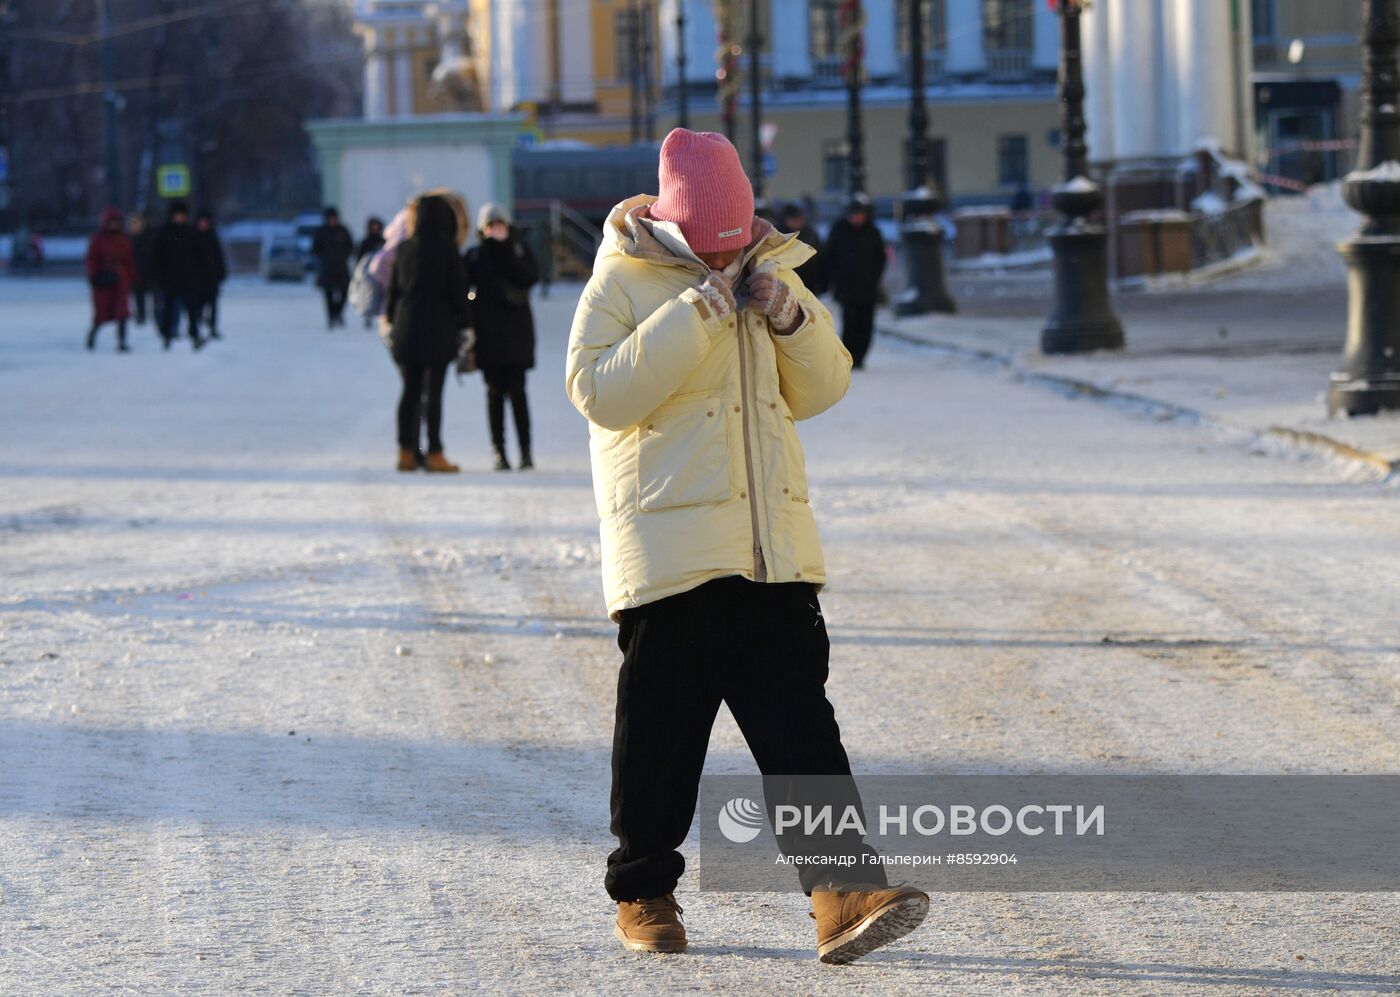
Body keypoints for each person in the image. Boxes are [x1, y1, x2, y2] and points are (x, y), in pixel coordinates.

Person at [566, 128, 929, 964]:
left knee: (802, 724)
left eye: (736, 237)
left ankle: (842, 892)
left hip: (769, 550)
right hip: (671, 554)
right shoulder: (622, 277)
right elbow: (598, 391)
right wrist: (694, 314)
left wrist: (792, 315)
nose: (727, 253)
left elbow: (825, 384)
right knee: (660, 735)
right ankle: (644, 890)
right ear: (677, 223)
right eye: (712, 240)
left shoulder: (775, 269)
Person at [383, 194, 470, 473]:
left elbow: (393, 291)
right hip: (438, 329)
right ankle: (434, 452)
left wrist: (390, 321)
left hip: (406, 328)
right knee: (433, 394)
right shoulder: (448, 249)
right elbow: (458, 293)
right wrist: (466, 326)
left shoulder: (405, 248)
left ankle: (405, 451)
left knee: (409, 392)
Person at [464, 203, 538, 471]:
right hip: (488, 335)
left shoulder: (519, 250)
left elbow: (529, 277)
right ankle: (499, 452)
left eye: (500, 225)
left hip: (517, 335)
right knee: (494, 394)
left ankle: (525, 452)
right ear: (482, 230)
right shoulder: (475, 256)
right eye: (490, 226)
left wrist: (506, 250)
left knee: (518, 394)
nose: (496, 229)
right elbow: (464, 289)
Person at [823, 195, 886, 369]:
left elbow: (880, 258)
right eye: (854, 214)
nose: (857, 218)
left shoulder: (872, 231)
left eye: (860, 214)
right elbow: (830, 258)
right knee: (850, 322)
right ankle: (849, 356)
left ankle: (860, 356)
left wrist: (874, 278)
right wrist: (834, 281)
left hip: (868, 287)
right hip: (846, 287)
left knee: (866, 324)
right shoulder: (839, 230)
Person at [150, 201, 206, 351]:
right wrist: (159, 276)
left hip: (189, 278)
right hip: (169, 279)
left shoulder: (191, 232)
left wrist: (199, 274)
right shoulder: (164, 233)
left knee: (192, 310)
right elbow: (156, 256)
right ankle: (167, 336)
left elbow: (200, 256)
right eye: (177, 215)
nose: (180, 218)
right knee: (168, 309)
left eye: (182, 215)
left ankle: (194, 336)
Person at [84, 208, 138, 353]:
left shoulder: (123, 239)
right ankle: (92, 336)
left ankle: (122, 341)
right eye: (111, 222)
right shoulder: (98, 239)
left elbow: (129, 260)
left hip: (120, 280)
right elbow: (92, 259)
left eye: (116, 222)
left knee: (122, 312)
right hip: (103, 280)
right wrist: (93, 276)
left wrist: (133, 277)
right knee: (102, 312)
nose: (114, 225)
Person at [313, 206, 355, 329]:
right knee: (328, 295)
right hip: (327, 269)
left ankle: (338, 313)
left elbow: (350, 246)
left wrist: (343, 256)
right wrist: (324, 258)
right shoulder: (321, 232)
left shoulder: (342, 230)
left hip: (341, 268)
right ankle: (331, 317)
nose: (332, 220)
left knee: (344, 292)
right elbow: (315, 248)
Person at [779, 202, 828, 297]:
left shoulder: (811, 234)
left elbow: (821, 259)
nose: (797, 222)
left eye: (799, 219)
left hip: (809, 283)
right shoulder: (780, 236)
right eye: (793, 219)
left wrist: (823, 282)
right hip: (787, 285)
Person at [194, 210, 227, 340]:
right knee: (198, 305)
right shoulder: (193, 237)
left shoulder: (212, 236)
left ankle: (213, 328)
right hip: (197, 278)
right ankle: (197, 326)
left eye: (205, 222)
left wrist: (221, 273)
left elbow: (219, 257)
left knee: (213, 304)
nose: (203, 224)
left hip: (211, 278)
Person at [128, 212, 154, 326]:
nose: (136, 225)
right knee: (138, 295)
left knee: (152, 296)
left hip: (148, 271)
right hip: (135, 272)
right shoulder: (129, 239)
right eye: (134, 223)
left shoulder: (148, 238)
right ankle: (141, 316)